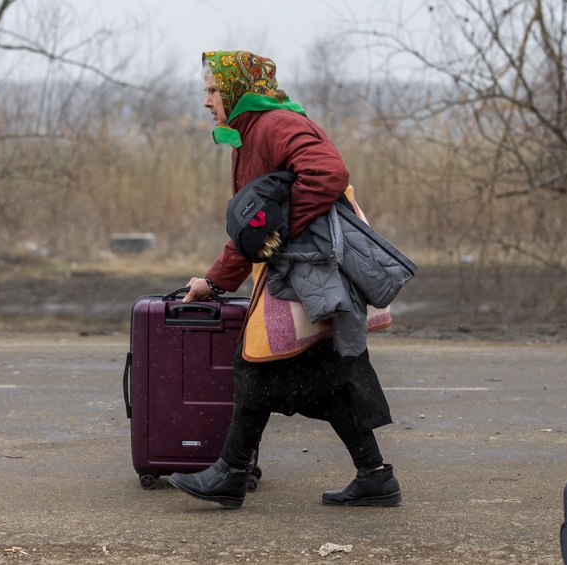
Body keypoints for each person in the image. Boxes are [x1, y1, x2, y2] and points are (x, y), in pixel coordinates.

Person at [168, 50, 401, 509]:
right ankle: (375, 475)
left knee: (255, 363)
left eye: (213, 90)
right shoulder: (252, 132)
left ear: (237, 89)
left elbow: (328, 174)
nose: (207, 101)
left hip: (306, 274)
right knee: (325, 374)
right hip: (297, 272)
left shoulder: (275, 124)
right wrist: (216, 282)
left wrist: (281, 226)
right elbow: (252, 230)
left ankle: (231, 473)